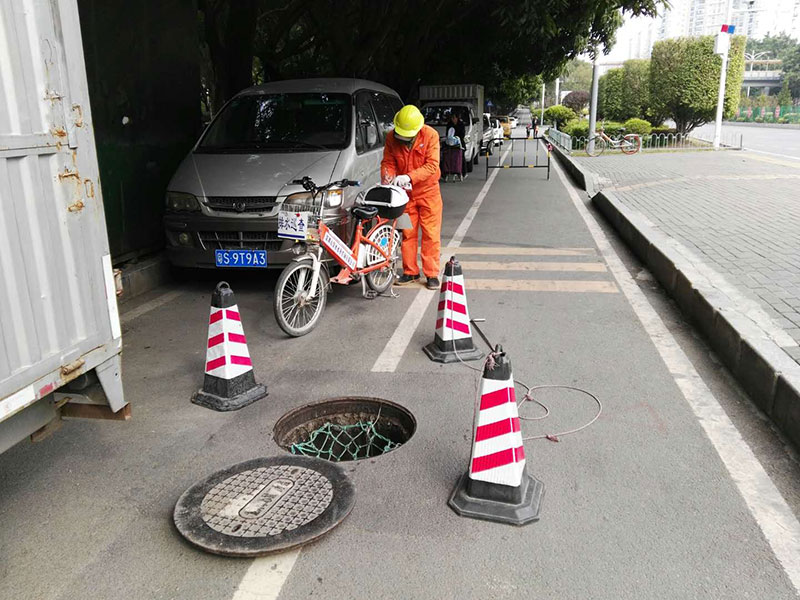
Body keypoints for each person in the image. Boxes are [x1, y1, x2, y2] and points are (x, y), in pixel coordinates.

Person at [381, 104, 443, 290]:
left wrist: (409, 176)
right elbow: (388, 162)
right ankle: (410, 272)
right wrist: (387, 177)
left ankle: (431, 274)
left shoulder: (430, 135)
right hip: (405, 196)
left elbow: (432, 166)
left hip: (428, 192)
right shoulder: (392, 137)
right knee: (407, 233)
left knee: (431, 234)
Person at [448, 112, 467, 179]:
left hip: (460, 143)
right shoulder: (449, 124)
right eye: (452, 118)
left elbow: (462, 134)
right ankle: (450, 171)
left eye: (454, 118)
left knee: (461, 158)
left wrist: (457, 139)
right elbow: (448, 133)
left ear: (457, 118)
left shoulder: (461, 124)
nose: (453, 120)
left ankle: (463, 172)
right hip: (451, 144)